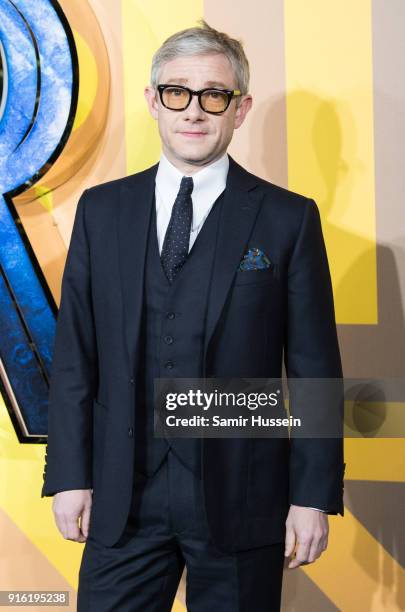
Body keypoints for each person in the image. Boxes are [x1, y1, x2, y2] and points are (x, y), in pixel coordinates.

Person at [41, 20, 345, 611]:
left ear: (240, 108)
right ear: (154, 100)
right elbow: (76, 355)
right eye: (177, 92)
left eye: (215, 96)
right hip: (122, 498)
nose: (194, 111)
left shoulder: (288, 220)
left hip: (242, 496)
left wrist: (312, 496)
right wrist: (70, 475)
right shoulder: (102, 212)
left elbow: (314, 371)